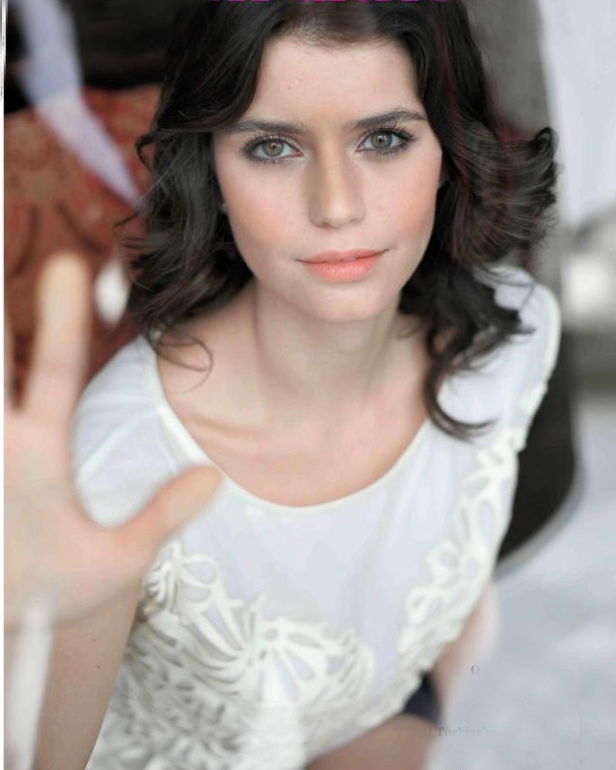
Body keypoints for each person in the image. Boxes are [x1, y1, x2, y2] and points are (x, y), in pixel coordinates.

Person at [27, 1, 561, 768]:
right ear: (210, 167)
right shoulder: (119, 467)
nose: (336, 206)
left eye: (385, 139)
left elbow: (438, 609)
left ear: (449, 150)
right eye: (273, 147)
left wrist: (407, 728)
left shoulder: (512, 340)